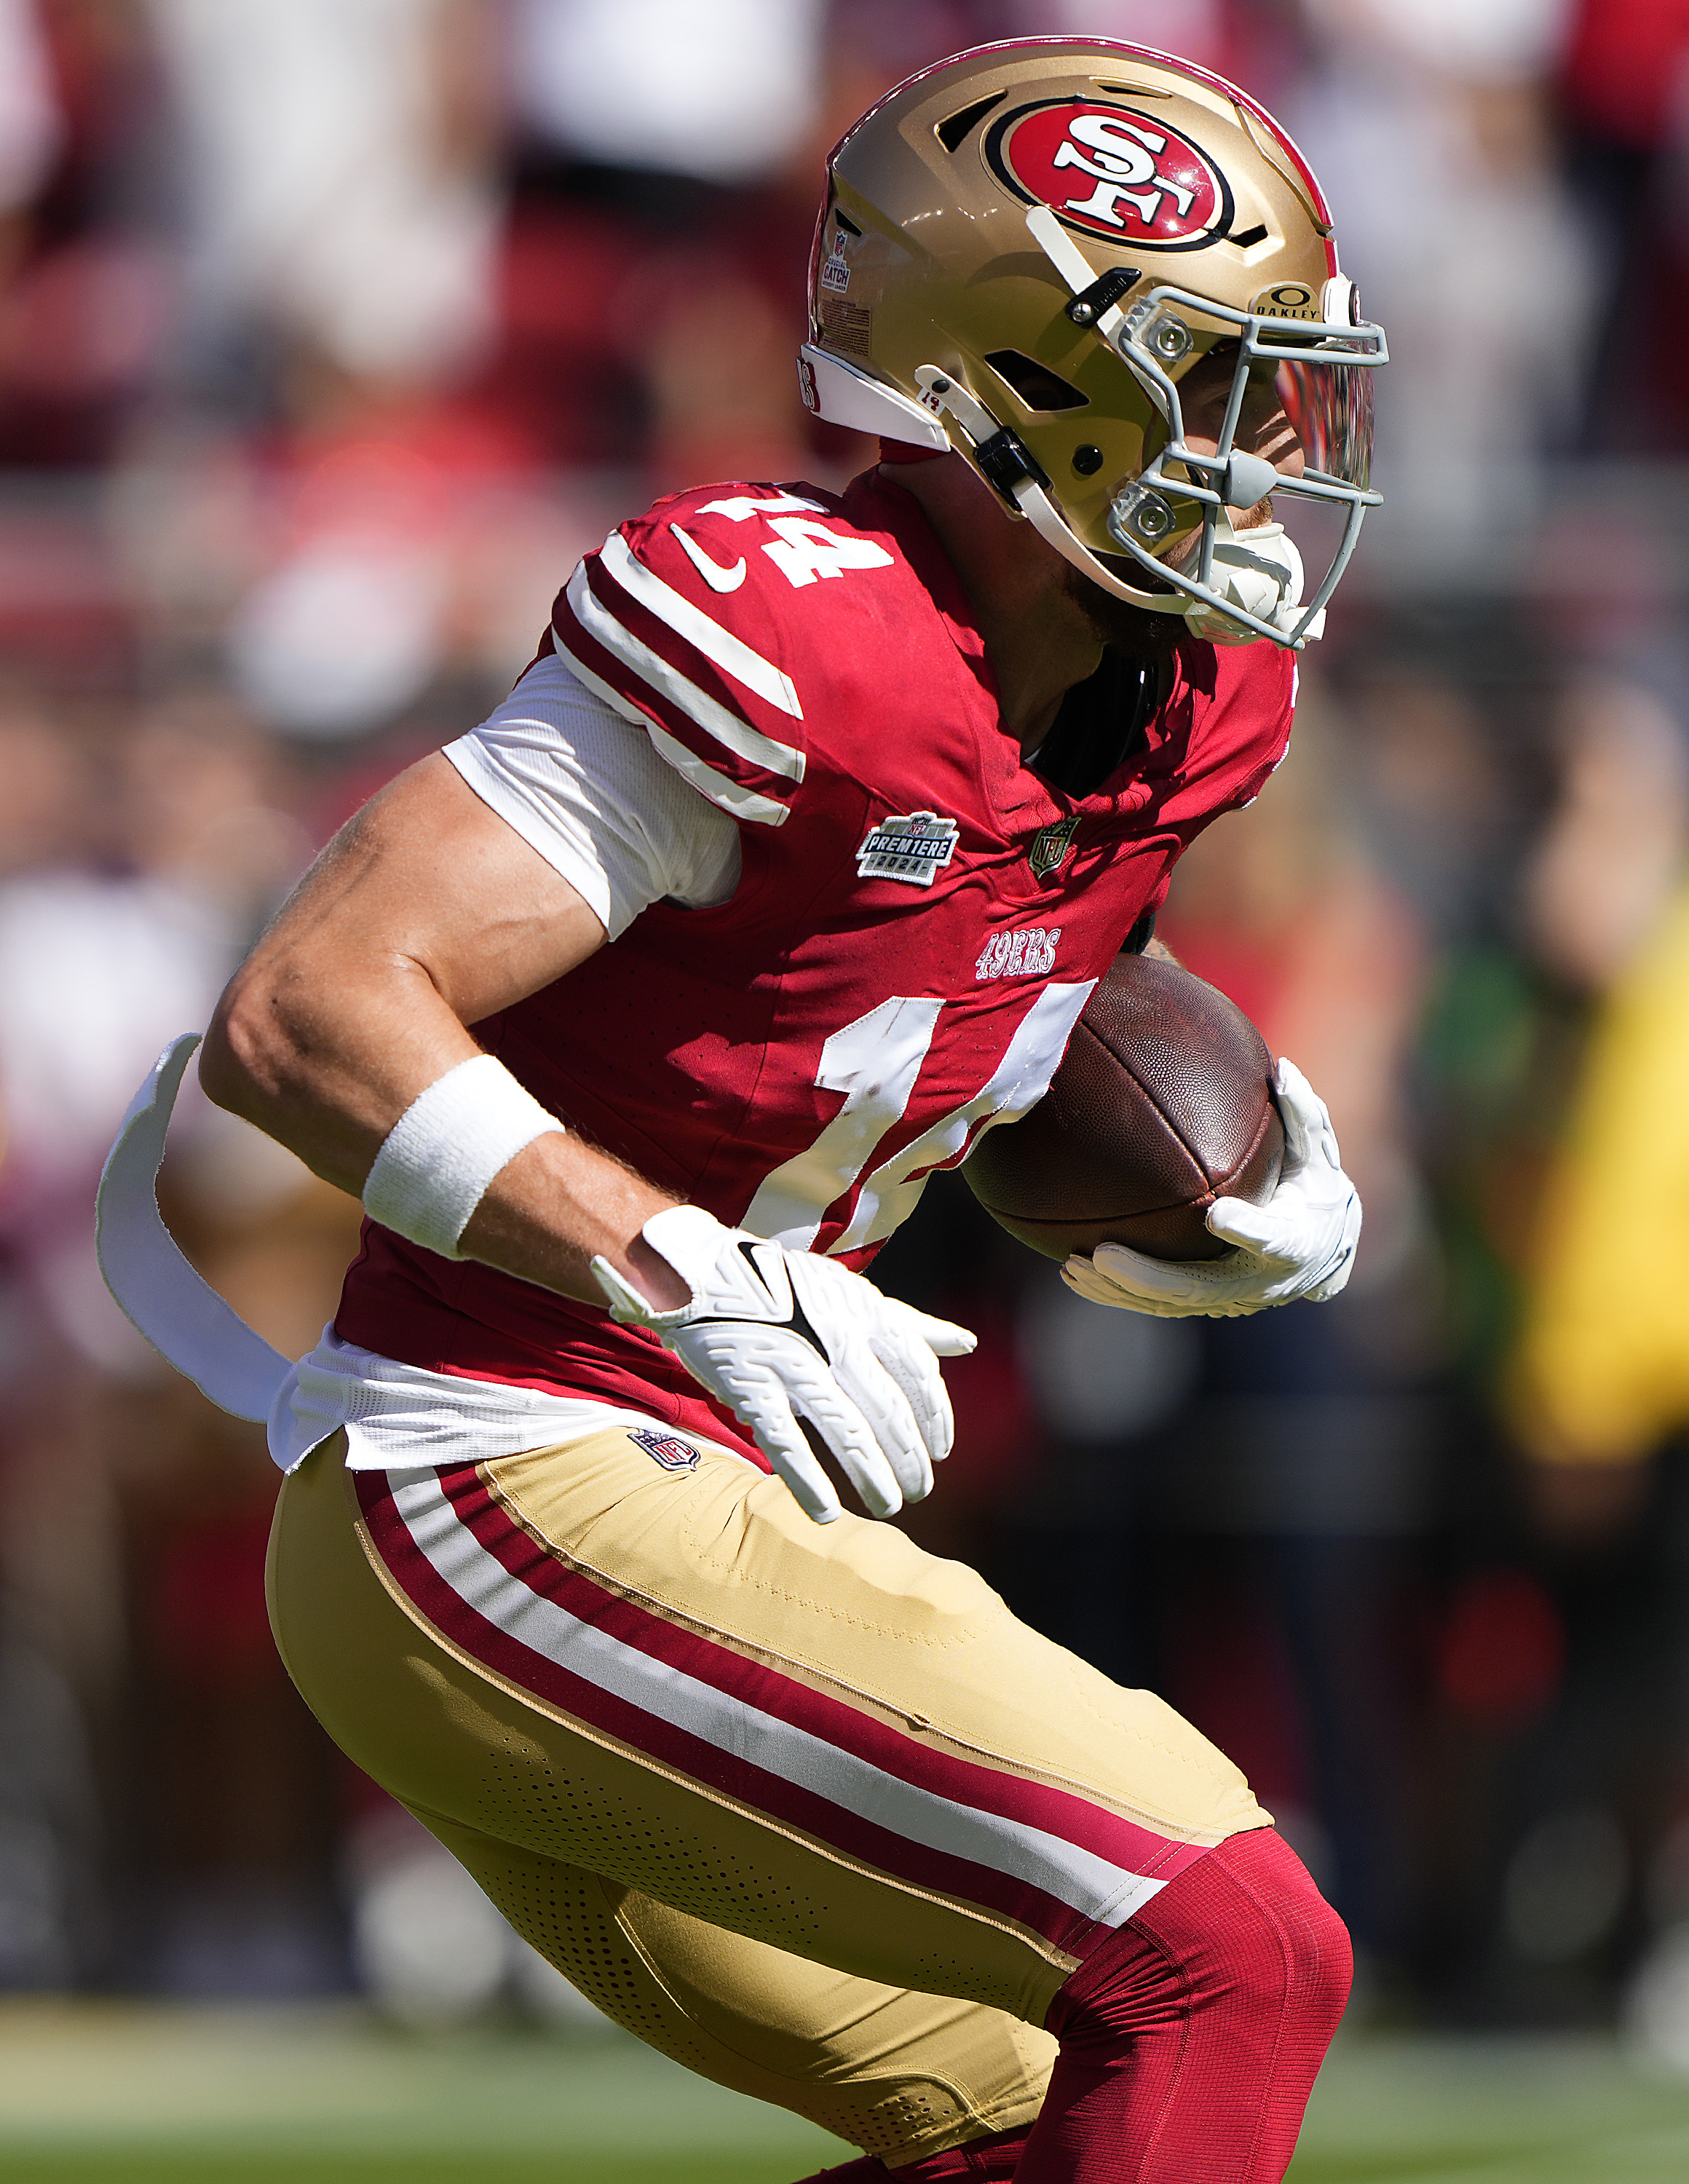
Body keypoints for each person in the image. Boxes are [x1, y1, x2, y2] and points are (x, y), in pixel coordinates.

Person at [100, 40, 1383, 2184]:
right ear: (1008, 378)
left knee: (1017, 2119)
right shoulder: (786, 632)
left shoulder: (1187, 691)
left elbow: (934, 965)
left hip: (665, 1503)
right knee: (1235, 1953)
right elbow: (311, 1008)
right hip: (496, 1474)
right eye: (1213, 380)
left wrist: (1208, 1152)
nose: (1265, 448)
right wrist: (682, 1265)